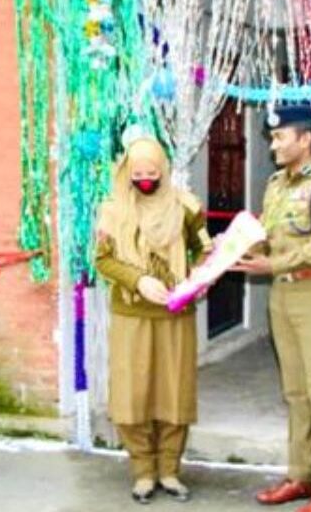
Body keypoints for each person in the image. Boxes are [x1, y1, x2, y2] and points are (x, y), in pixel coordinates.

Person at [241, 106, 311, 512]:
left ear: (305, 139)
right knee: (295, 392)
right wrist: (242, 249)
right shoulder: (275, 184)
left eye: (280, 137)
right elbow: (268, 235)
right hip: (282, 293)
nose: (274, 145)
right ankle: (300, 475)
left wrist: (273, 263)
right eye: (272, 138)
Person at [94, 136, 213, 505]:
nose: (145, 179)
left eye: (152, 172)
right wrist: (138, 280)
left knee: (173, 393)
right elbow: (103, 260)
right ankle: (143, 471)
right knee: (133, 395)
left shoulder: (186, 206)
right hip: (131, 314)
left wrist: (197, 278)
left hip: (176, 314)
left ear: (164, 170)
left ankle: (170, 470)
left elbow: (205, 250)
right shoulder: (113, 210)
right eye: (138, 173)